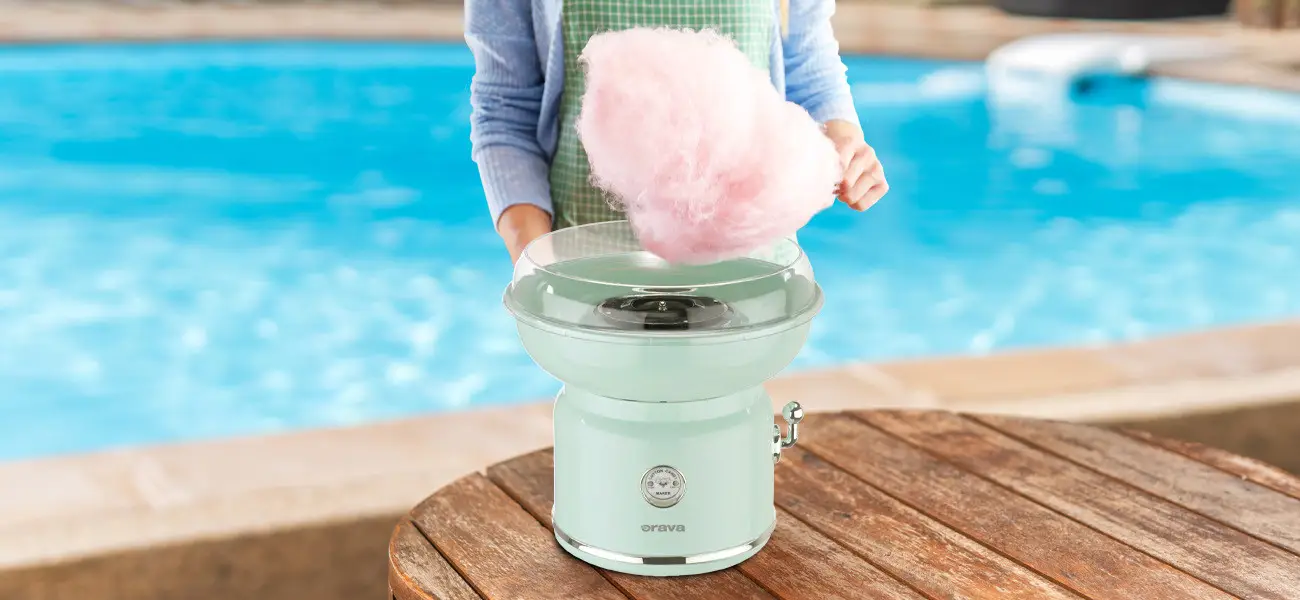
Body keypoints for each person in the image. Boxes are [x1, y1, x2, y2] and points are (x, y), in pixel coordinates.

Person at [465, 0, 888, 263]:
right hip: (583, 268)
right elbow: (505, 107)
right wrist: (533, 256)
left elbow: (809, 71)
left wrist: (843, 139)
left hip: (750, 270)